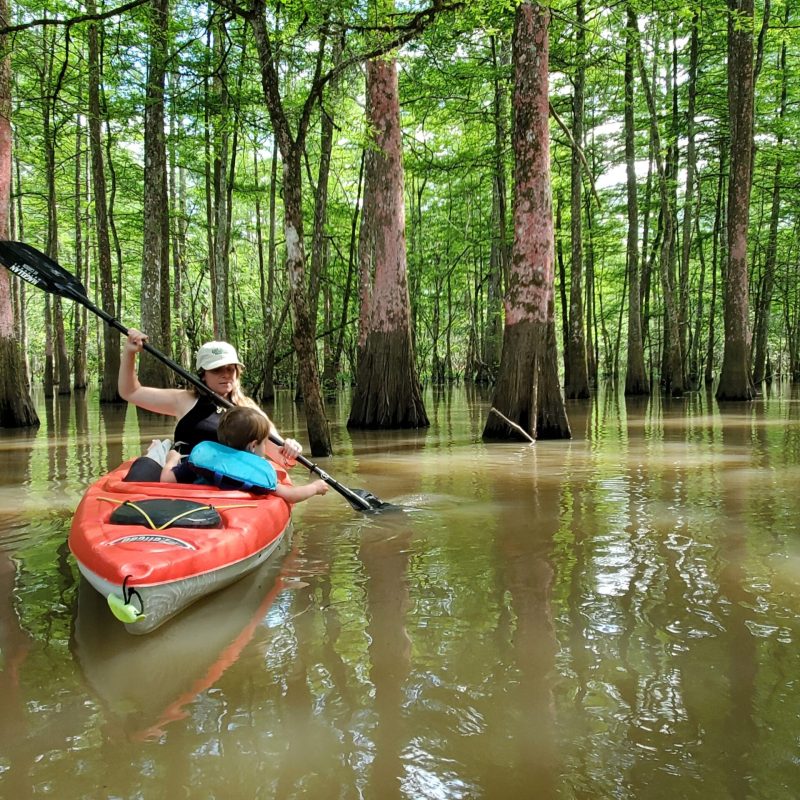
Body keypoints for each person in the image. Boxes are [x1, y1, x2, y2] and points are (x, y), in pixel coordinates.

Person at [119, 329, 301, 481]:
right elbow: (130, 392)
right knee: (141, 470)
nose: (225, 374)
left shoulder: (249, 410)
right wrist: (130, 353)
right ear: (203, 374)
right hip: (179, 470)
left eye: (230, 369)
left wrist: (290, 449)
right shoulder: (184, 400)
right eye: (217, 369)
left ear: (237, 372)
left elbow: (280, 457)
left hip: (219, 476)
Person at [161, 406, 329, 504]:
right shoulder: (256, 474)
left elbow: (166, 480)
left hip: (199, 505)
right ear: (253, 445)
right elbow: (291, 496)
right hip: (235, 510)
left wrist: (172, 460)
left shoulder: (200, 463)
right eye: (264, 443)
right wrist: (314, 488)